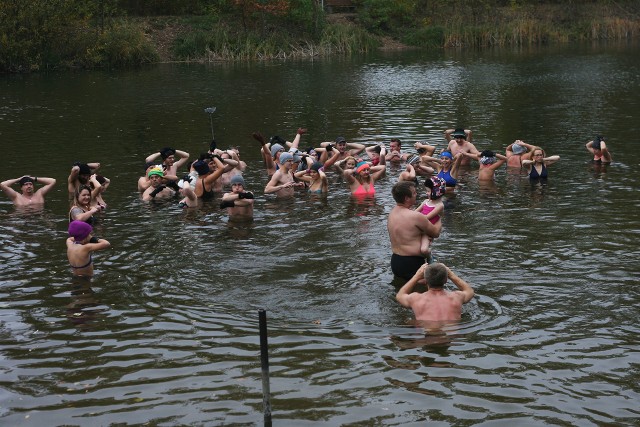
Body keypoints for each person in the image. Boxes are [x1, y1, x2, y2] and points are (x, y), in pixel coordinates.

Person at [388, 181, 442, 281]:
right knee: (422, 292)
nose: (416, 194)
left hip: (395, 261)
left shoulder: (391, 214)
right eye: (414, 193)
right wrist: (438, 218)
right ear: (406, 198)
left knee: (402, 291)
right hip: (412, 262)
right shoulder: (416, 216)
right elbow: (436, 233)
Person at [396, 263, 474, 322]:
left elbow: (400, 295)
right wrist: (451, 275)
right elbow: (469, 291)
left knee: (410, 322)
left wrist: (416, 276)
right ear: (446, 280)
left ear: (425, 281)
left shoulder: (416, 298)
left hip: (425, 336)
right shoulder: (457, 297)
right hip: (451, 336)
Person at [415, 177, 446, 260]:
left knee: (424, 250)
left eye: (428, 191)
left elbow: (427, 217)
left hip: (427, 230)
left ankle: (430, 257)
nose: (427, 193)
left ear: (437, 191)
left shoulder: (439, 205)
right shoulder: (425, 201)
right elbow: (415, 212)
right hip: (419, 226)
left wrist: (415, 220)